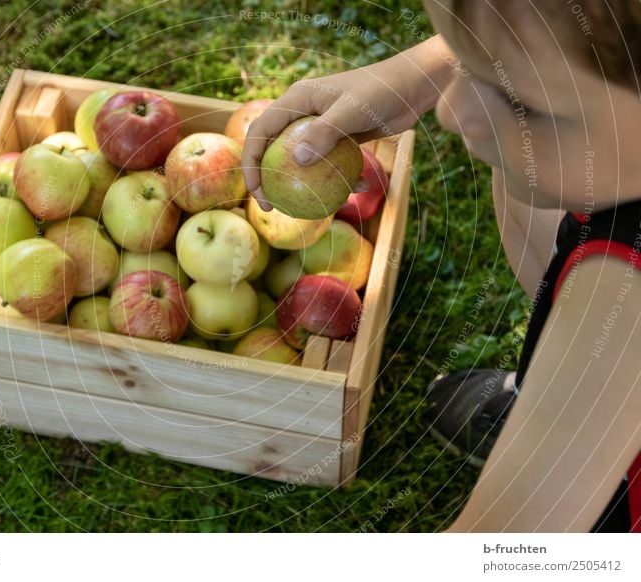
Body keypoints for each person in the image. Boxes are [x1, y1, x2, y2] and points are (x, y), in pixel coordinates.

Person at [241, 0, 641, 532]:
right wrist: (422, 70)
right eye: (469, 67)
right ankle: (551, 404)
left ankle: (576, 438)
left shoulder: (622, 305)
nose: (451, 114)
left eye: (525, 103)